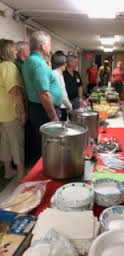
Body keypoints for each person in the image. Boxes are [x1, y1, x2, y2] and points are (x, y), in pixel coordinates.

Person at [22, 31, 63, 165]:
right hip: (44, 110)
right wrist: (53, 118)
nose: (50, 47)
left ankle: (41, 169)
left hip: (38, 108)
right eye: (49, 44)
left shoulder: (31, 60)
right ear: (43, 46)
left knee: (39, 142)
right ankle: (46, 172)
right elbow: (44, 94)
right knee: (47, 145)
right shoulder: (38, 63)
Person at [0, 39, 26, 180]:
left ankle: (8, 170)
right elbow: (15, 92)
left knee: (5, 142)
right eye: (14, 49)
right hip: (11, 111)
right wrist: (22, 113)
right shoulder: (9, 66)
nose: (16, 52)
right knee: (17, 143)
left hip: (2, 113)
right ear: (8, 51)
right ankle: (21, 173)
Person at [52, 51, 72, 121]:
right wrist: (68, 105)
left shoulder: (59, 74)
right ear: (62, 64)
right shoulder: (55, 74)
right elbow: (61, 93)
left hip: (62, 106)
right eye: (65, 63)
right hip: (59, 107)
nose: (66, 65)